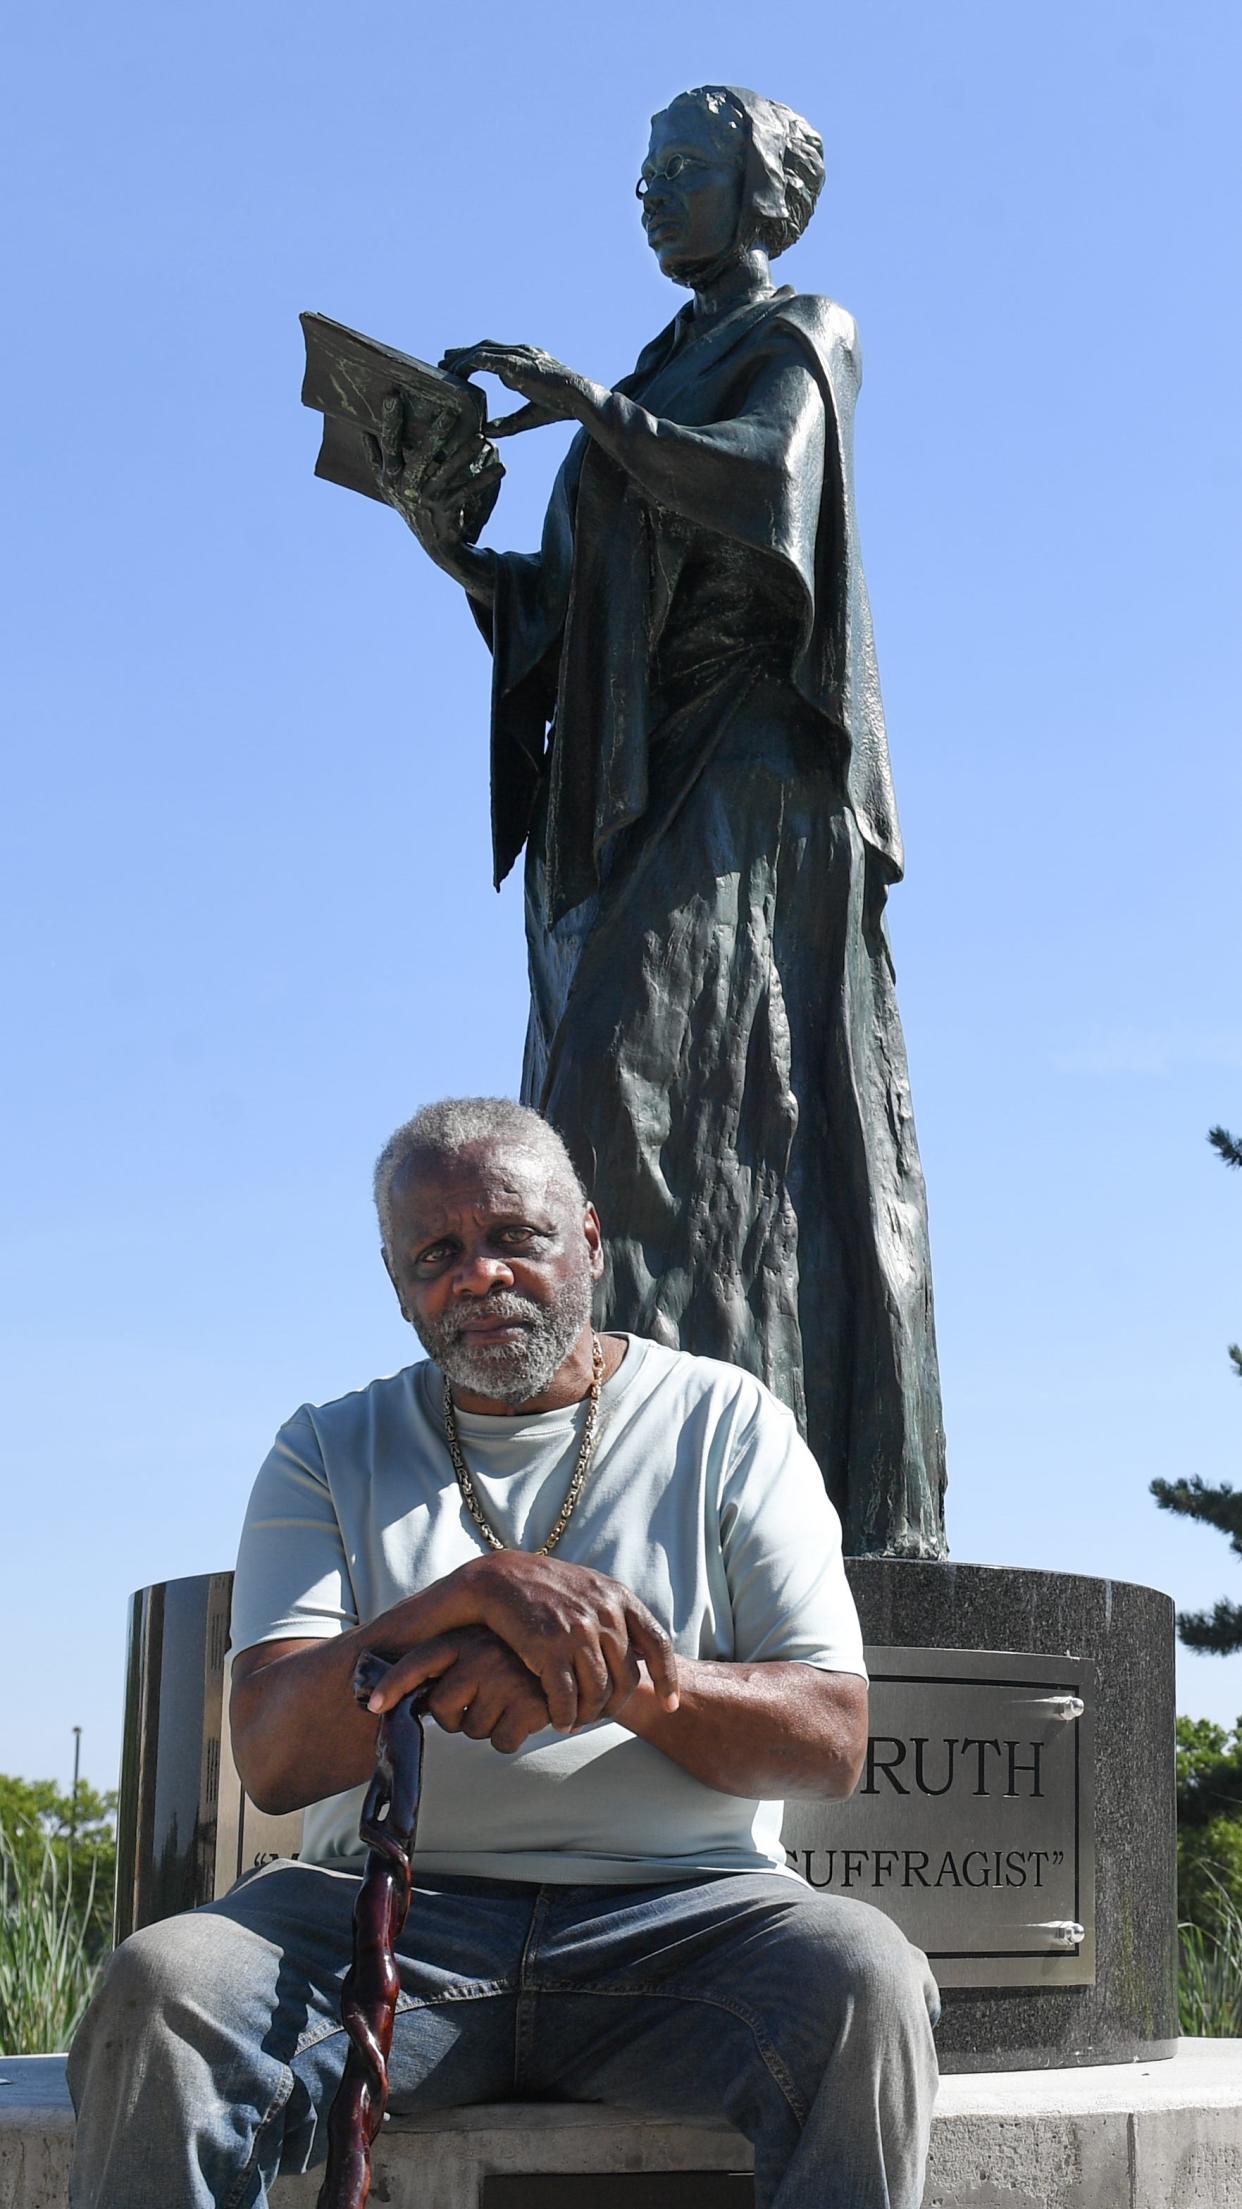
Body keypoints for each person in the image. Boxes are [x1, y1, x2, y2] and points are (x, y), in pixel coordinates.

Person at [68, 1097, 939, 2209]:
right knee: (164, 1984)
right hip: (381, 1917)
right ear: (397, 1285)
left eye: (511, 1236)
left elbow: (830, 1741)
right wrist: (476, 1592)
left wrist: (622, 1678)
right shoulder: (327, 1450)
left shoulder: (729, 1423)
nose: (476, 1275)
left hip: (683, 1922)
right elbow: (277, 1754)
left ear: (587, 1237)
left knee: (865, 1977)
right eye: (435, 1253)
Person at [370, 85, 947, 1560]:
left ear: (767, 199)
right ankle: (597, 1488)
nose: (653, 196)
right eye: (644, 176)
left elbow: (768, 486)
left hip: (746, 776)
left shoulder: (799, 335)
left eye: (684, 171)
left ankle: (709, 1494)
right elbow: (558, 617)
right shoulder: (643, 377)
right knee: (585, 1111)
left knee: (633, 1111)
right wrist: (450, 541)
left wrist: (592, 414)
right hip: (611, 802)